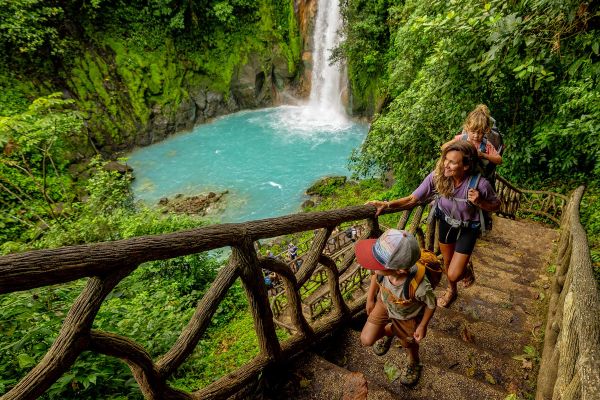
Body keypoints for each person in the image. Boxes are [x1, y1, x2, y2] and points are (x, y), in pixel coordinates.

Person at [369, 141, 500, 308]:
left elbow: (496, 205)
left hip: (469, 226)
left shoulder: (480, 184)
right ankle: (452, 291)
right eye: (446, 159)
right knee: (447, 262)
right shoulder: (438, 177)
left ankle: (463, 271)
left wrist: (480, 201)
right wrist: (387, 205)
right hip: (446, 220)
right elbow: (412, 199)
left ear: (466, 166)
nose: (446, 164)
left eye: (453, 162)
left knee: (453, 273)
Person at [355, 229, 436, 386]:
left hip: (407, 316)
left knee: (408, 342)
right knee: (366, 340)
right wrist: (370, 298)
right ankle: (393, 331)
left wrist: (422, 325)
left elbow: (431, 304)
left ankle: (413, 361)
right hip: (384, 303)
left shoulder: (419, 287)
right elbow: (375, 276)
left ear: (400, 270)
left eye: (376, 263)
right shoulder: (384, 272)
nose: (371, 265)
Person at [442, 104, 502, 169]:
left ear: (485, 131)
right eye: (473, 132)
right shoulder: (461, 139)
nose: (476, 136)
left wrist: (484, 155)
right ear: (467, 128)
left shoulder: (486, 145)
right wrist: (455, 147)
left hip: (476, 175)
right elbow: (443, 147)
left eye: (480, 133)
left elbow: (499, 160)